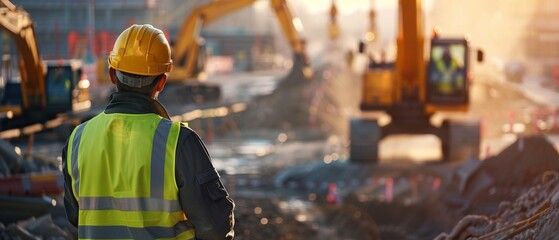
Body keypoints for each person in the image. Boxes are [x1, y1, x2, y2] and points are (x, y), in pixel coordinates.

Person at [61, 24, 235, 239]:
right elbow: (215, 227)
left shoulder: (77, 140)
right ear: (161, 82)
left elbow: (75, 216)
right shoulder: (178, 142)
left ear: (112, 74)